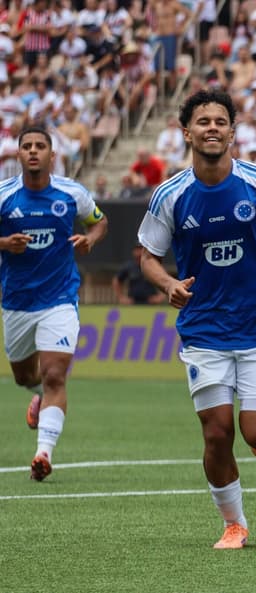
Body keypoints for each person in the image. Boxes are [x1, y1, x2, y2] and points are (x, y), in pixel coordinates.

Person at [138, 89, 256, 549]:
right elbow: (148, 256)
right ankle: (234, 523)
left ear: (232, 131)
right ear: (186, 132)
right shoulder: (171, 194)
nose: (212, 128)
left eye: (220, 121)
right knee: (216, 432)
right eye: (203, 121)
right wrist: (168, 284)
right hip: (203, 330)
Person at [0, 126, 108, 481]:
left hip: (60, 298)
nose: (33, 151)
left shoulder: (71, 193)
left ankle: (43, 454)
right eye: (27, 146)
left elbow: (100, 222)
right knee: (24, 377)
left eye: (40, 146)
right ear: (18, 154)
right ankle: (39, 398)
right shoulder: (5, 195)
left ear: (52, 155)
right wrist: (5, 244)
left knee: (55, 375)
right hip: (16, 301)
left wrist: (91, 238)